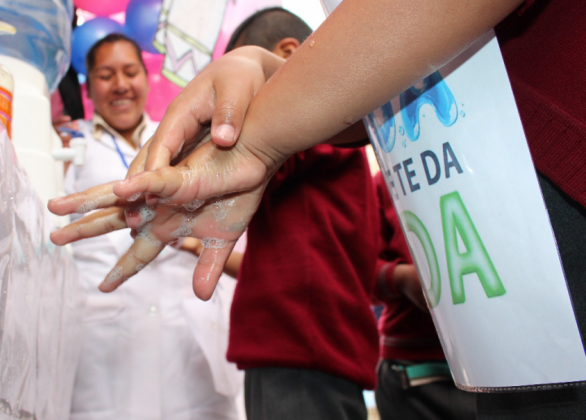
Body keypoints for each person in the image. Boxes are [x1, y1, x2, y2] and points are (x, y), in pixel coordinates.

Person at [50, 0, 586, 418]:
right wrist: (259, 75)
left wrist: (256, 123)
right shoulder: (353, 137)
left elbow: (311, 133)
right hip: (475, 300)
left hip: (315, 345)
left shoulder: (314, 147)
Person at [214, 8, 380, 420]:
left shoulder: (313, 121)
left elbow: (249, 161)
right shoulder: (338, 132)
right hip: (313, 343)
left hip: (299, 342)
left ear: (287, 54)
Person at [63, 33, 239, 420]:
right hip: (104, 332)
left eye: (130, 72)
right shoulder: (71, 147)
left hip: (187, 330)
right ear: (89, 86)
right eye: (106, 75)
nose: (121, 85)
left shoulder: (186, 139)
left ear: (146, 77)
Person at [372, 173, 476, 420]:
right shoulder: (384, 182)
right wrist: (400, 278)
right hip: (410, 367)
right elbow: (355, 270)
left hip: (490, 362)